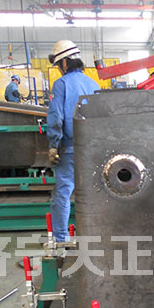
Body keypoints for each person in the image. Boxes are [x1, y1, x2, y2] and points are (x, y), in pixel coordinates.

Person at [46, 40, 100, 242]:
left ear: (64, 62)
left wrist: (53, 145)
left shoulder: (61, 84)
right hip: (93, 148)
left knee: (63, 193)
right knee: (92, 192)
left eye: (58, 65)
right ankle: (95, 236)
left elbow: (56, 117)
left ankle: (61, 239)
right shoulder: (93, 84)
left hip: (70, 148)